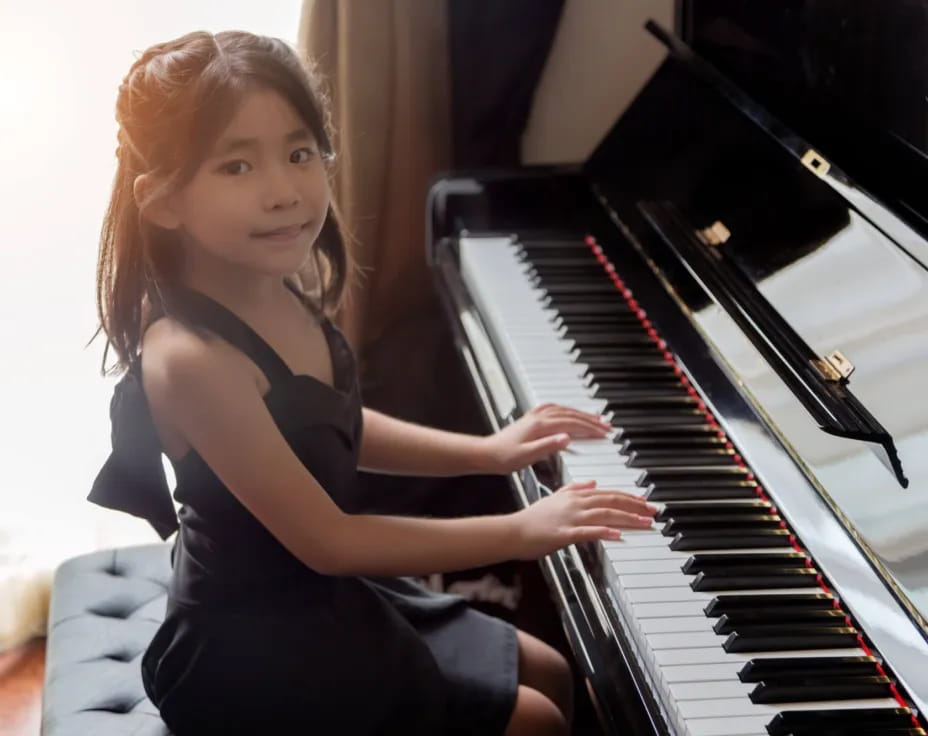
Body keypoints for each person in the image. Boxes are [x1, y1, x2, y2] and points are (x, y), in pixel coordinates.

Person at [88, 30, 657, 736]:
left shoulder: (267, 281)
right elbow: (330, 540)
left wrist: (489, 452)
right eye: (236, 166)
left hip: (316, 594)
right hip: (246, 646)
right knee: (536, 719)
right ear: (163, 200)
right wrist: (518, 530)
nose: (284, 192)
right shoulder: (191, 359)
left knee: (551, 669)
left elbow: (330, 422)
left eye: (299, 154)